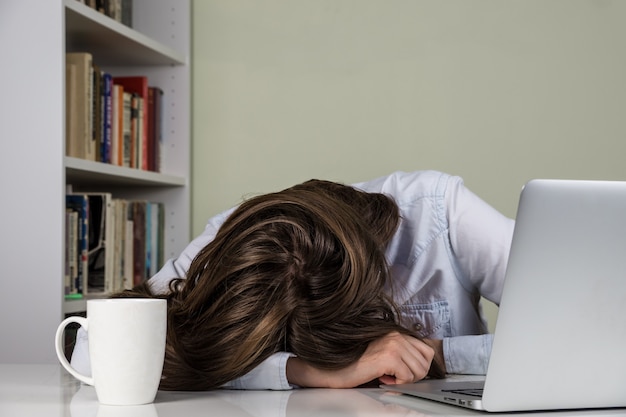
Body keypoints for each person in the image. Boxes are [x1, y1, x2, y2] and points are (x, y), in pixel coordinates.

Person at [71, 170, 514, 391]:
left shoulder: (439, 210)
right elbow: (93, 349)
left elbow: (578, 331)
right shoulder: (230, 246)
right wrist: (310, 370)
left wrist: (438, 353)